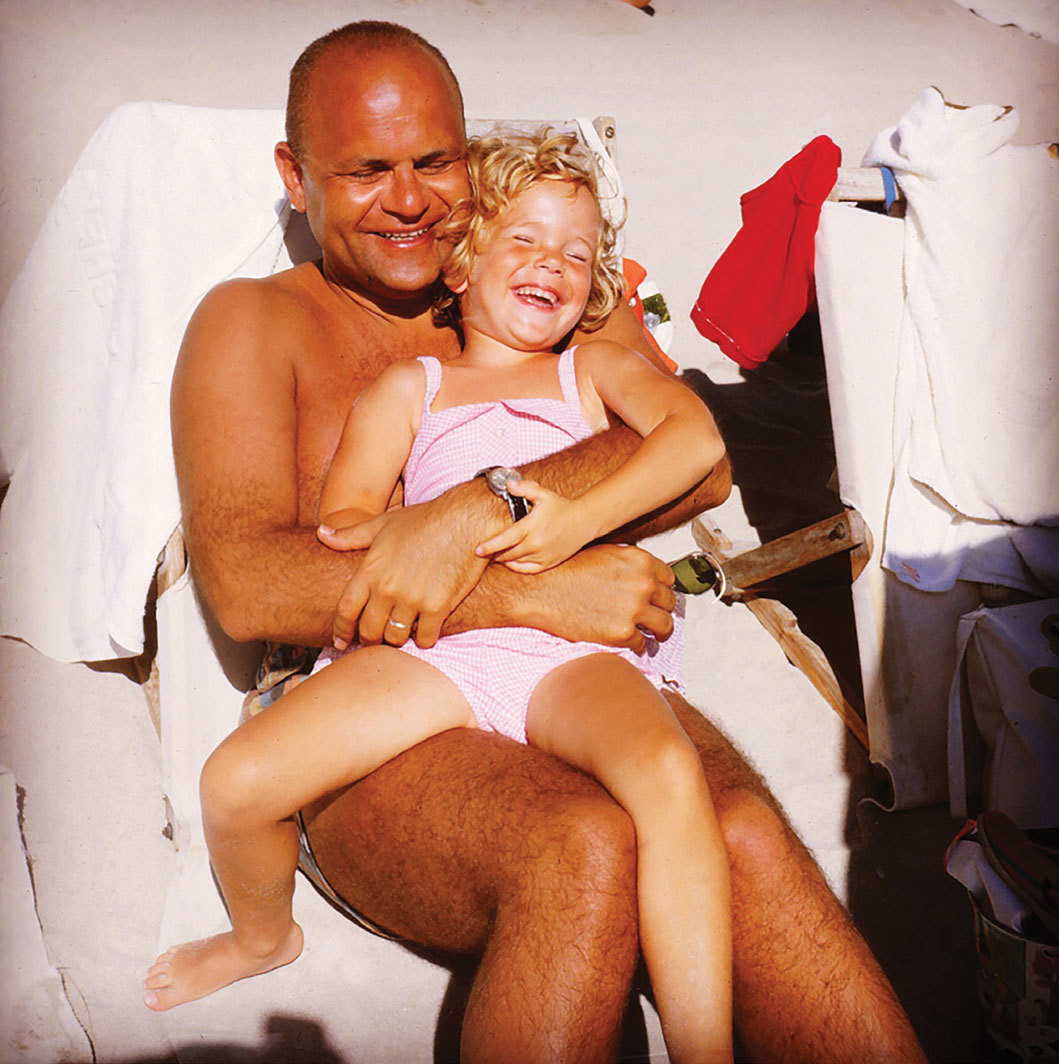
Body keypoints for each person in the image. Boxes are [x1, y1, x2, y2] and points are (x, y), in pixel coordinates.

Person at [159, 19, 927, 1063]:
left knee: (741, 837)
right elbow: (251, 584)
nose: (410, 200)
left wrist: (481, 507)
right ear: (296, 177)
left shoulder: (541, 271)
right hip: (385, 690)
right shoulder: (251, 323)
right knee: (583, 846)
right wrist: (525, 591)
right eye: (365, 171)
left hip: (583, 665)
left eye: (434, 161)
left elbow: (694, 459)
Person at [146, 130, 733, 1062]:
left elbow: (695, 439)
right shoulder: (410, 388)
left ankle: (710, 1050)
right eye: (525, 242)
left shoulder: (594, 372)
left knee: (667, 779)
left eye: (578, 255)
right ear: (461, 262)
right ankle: (263, 936)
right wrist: (442, 535)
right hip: (438, 650)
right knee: (238, 782)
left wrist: (578, 521)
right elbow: (347, 524)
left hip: (577, 654)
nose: (554, 265)